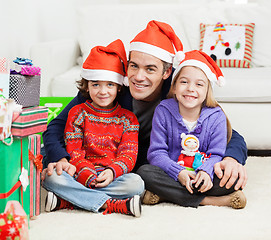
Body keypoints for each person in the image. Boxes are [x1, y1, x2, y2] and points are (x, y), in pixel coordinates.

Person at [42, 20, 247, 205]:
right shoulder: (107, 86)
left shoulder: (181, 88)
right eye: (134, 66)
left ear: (167, 73)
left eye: (150, 69)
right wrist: (61, 158)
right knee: (52, 171)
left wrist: (231, 159)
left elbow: (227, 132)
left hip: (140, 168)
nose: (139, 77)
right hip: (106, 164)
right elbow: (56, 127)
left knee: (226, 178)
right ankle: (111, 202)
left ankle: (170, 194)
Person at [42, 39, 144, 217]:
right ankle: (110, 204)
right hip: (80, 171)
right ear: (87, 86)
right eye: (96, 84)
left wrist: (112, 172)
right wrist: (85, 173)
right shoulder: (78, 113)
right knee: (51, 176)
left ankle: (67, 201)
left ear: (119, 87)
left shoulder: (128, 119)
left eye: (110, 84)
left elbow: (128, 153)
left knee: (136, 184)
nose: (103, 91)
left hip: (111, 175)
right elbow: (73, 149)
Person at [143, 50, 246, 208]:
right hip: (173, 173)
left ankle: (167, 195)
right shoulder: (163, 110)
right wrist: (179, 172)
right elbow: (156, 153)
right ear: (175, 86)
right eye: (184, 82)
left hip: (202, 174)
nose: (191, 88)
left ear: (207, 91)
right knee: (145, 173)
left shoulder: (216, 116)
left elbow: (217, 153)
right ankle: (208, 200)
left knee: (233, 180)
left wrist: (206, 171)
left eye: (199, 84)